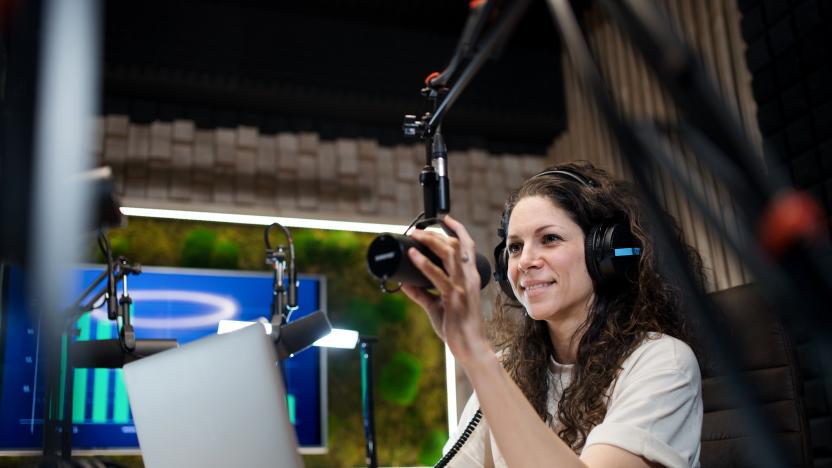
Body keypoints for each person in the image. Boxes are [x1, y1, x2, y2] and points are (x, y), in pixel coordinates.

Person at [402, 161, 703, 468]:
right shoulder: (510, 367)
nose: (525, 261)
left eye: (550, 239)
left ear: (605, 253)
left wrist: (476, 355)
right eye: (515, 247)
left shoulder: (664, 362)